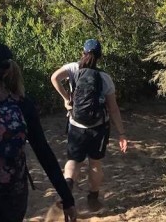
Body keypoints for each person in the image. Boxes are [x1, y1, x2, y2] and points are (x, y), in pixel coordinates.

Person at [0, 42, 77, 222]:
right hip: (14, 197)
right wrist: (67, 198)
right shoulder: (24, 106)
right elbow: (44, 153)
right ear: (8, 70)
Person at [49, 38, 127, 212]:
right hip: (98, 128)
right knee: (95, 164)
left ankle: (66, 189)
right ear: (99, 56)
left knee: (73, 162)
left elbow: (54, 78)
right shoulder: (105, 78)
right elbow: (113, 109)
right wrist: (122, 134)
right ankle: (93, 198)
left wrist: (66, 99)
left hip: (76, 125)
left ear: (82, 52)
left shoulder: (72, 68)